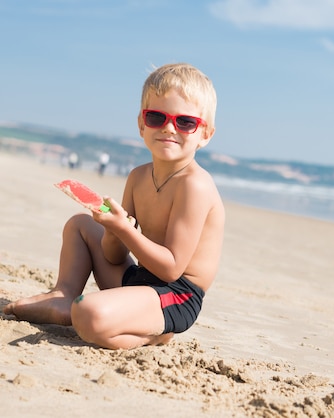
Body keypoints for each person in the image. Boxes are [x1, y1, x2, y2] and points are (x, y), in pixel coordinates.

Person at [3, 63, 224, 350]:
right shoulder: (138, 177)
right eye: (157, 117)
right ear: (142, 125)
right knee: (81, 225)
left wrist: (125, 230)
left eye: (185, 122)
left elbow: (171, 269)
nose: (169, 128)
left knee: (88, 312)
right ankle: (64, 294)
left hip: (175, 295)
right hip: (140, 280)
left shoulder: (195, 186)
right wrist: (112, 231)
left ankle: (152, 330)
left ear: (204, 134)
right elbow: (113, 254)